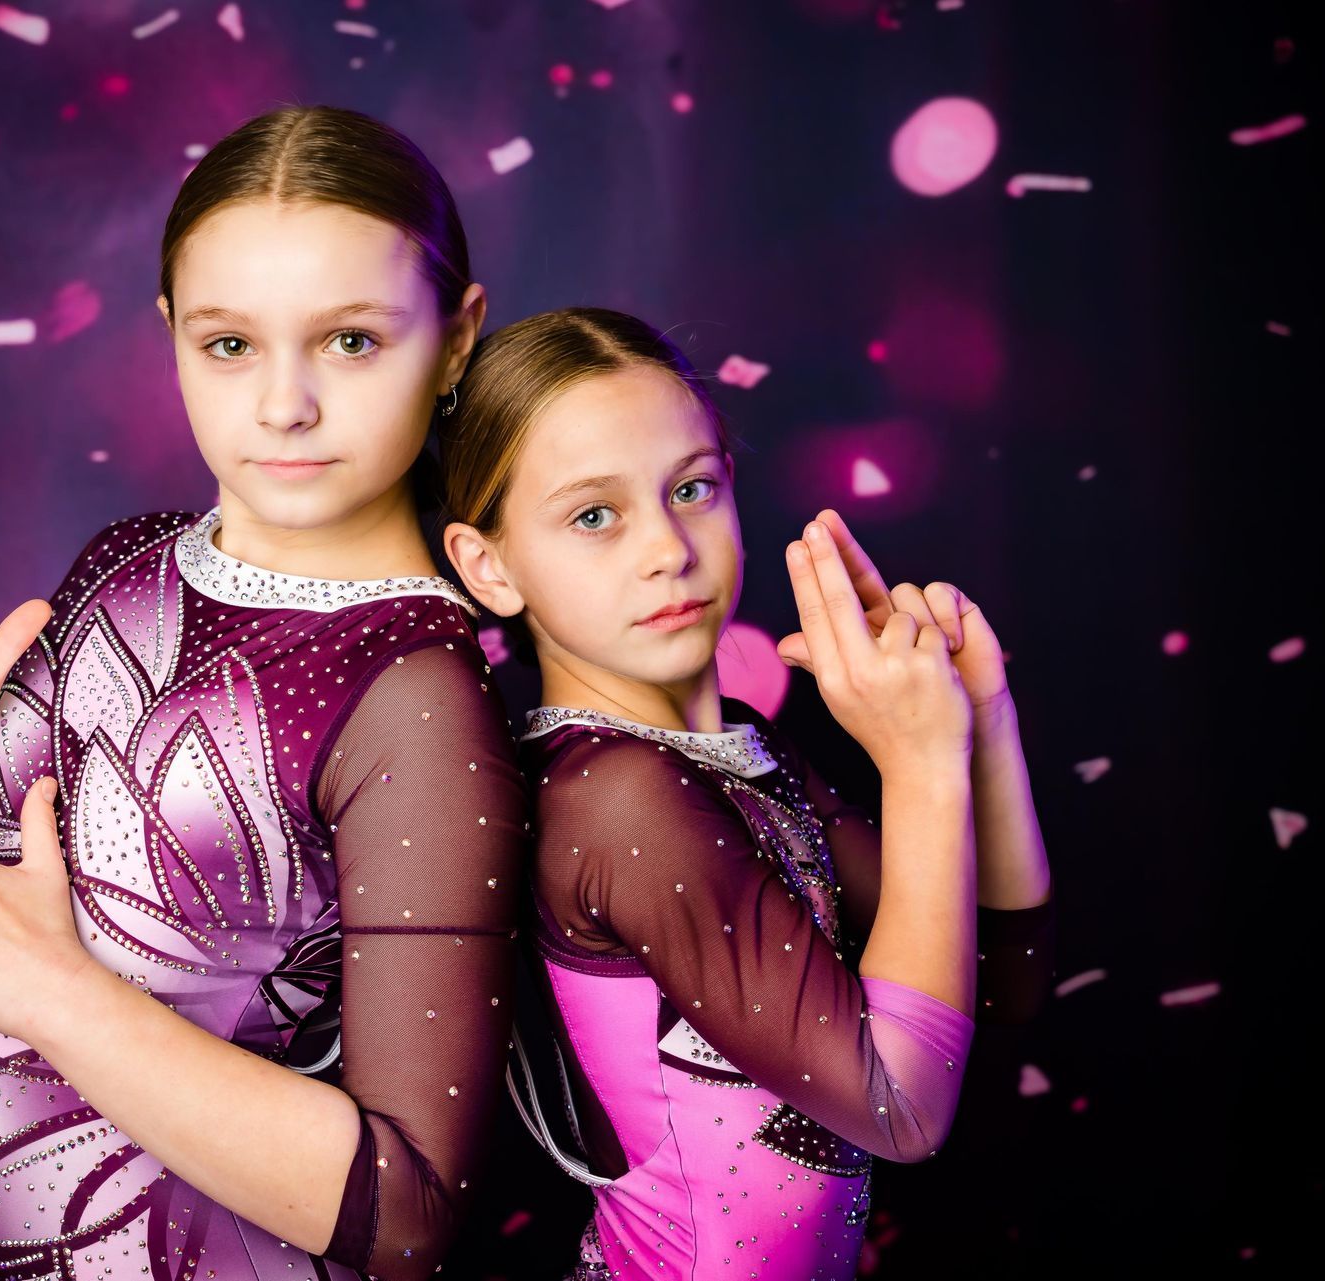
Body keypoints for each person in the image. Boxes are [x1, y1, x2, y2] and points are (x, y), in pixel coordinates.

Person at [0, 105, 525, 1281]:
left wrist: (55, 995)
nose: (283, 405)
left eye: (350, 342)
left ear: (455, 339)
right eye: (229, 345)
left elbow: (408, 1213)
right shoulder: (123, 564)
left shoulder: (417, 694)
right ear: (173, 336)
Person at [437, 307, 1056, 1280]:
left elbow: (996, 977)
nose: (668, 550)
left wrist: (981, 724)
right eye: (594, 516)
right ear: (490, 566)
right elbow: (902, 1105)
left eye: (691, 489)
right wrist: (923, 765)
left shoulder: (739, 748)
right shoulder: (615, 796)